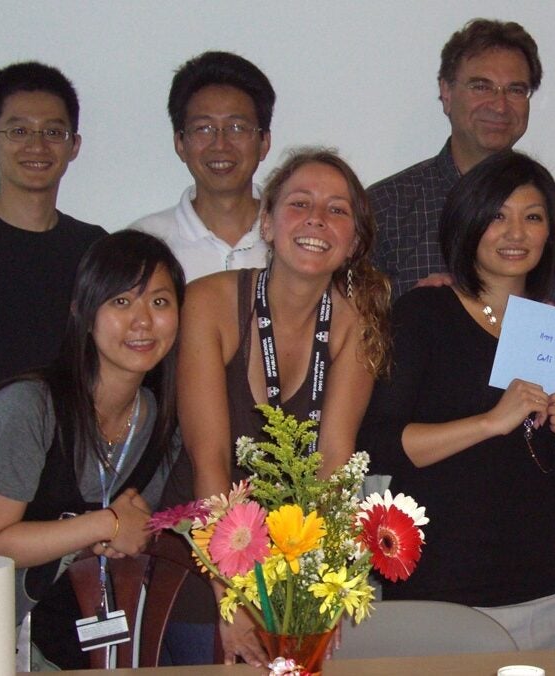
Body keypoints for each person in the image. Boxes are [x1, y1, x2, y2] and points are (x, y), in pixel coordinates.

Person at [360, 150, 555, 649]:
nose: (516, 233)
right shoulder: (424, 311)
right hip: (442, 587)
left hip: (545, 584)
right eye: (497, 216)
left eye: (532, 217)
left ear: (551, 232)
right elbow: (378, 442)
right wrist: (489, 422)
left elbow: (554, 475)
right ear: (467, 223)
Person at [177, 148, 390, 665]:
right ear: (267, 224)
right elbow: (209, 461)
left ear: (354, 241)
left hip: (296, 567)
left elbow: (336, 458)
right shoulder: (209, 302)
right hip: (202, 563)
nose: (317, 218)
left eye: (337, 210)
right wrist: (231, 599)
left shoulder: (355, 321)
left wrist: (330, 580)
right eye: (299, 203)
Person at [0, 230, 183, 669]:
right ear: (82, 311)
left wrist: (125, 531)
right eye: (120, 301)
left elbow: (136, 531)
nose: (142, 321)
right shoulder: (29, 408)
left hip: (88, 643)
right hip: (8, 642)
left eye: (159, 302)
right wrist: (104, 523)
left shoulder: (160, 423)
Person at [367, 18, 555, 305]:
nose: (499, 105)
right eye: (481, 87)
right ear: (446, 92)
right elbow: (351, 329)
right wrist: (415, 315)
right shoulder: (386, 210)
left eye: (516, 90)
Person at [0, 61, 106, 383]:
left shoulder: (95, 249)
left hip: (71, 430)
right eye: (19, 131)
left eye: (53, 132)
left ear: (74, 145)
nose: (37, 146)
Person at [130, 51, 274, 281]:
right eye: (203, 128)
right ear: (179, 143)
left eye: (237, 127)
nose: (220, 145)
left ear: (264, 142)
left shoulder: (295, 237)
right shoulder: (141, 245)